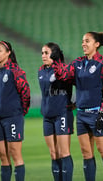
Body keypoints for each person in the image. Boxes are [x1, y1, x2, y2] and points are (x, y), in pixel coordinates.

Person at [52, 31, 103, 181]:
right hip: (81, 114)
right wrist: (57, 60)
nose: (83, 44)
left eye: (87, 41)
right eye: (82, 41)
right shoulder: (77, 63)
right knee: (86, 153)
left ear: (97, 44)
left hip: (97, 113)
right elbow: (63, 75)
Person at [0, 40, 30, 181]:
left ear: (8, 53)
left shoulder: (16, 71)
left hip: (13, 117)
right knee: (3, 156)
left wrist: (20, 112)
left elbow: (25, 92)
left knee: (15, 154)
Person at [38, 42, 74, 181]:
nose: (43, 56)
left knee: (64, 152)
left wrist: (73, 103)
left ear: (54, 54)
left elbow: (75, 84)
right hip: (47, 116)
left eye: (46, 53)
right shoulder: (41, 70)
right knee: (53, 153)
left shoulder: (64, 69)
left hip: (62, 114)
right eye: (42, 53)